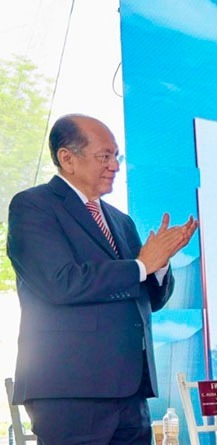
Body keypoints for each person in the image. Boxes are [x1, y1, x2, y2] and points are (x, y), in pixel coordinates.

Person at [6, 114, 198, 444]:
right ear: (67, 158)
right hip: (70, 390)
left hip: (130, 391)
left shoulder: (120, 221)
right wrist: (141, 265)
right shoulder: (33, 206)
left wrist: (160, 264)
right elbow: (60, 282)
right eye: (104, 156)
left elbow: (148, 298)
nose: (115, 166)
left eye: (116, 156)